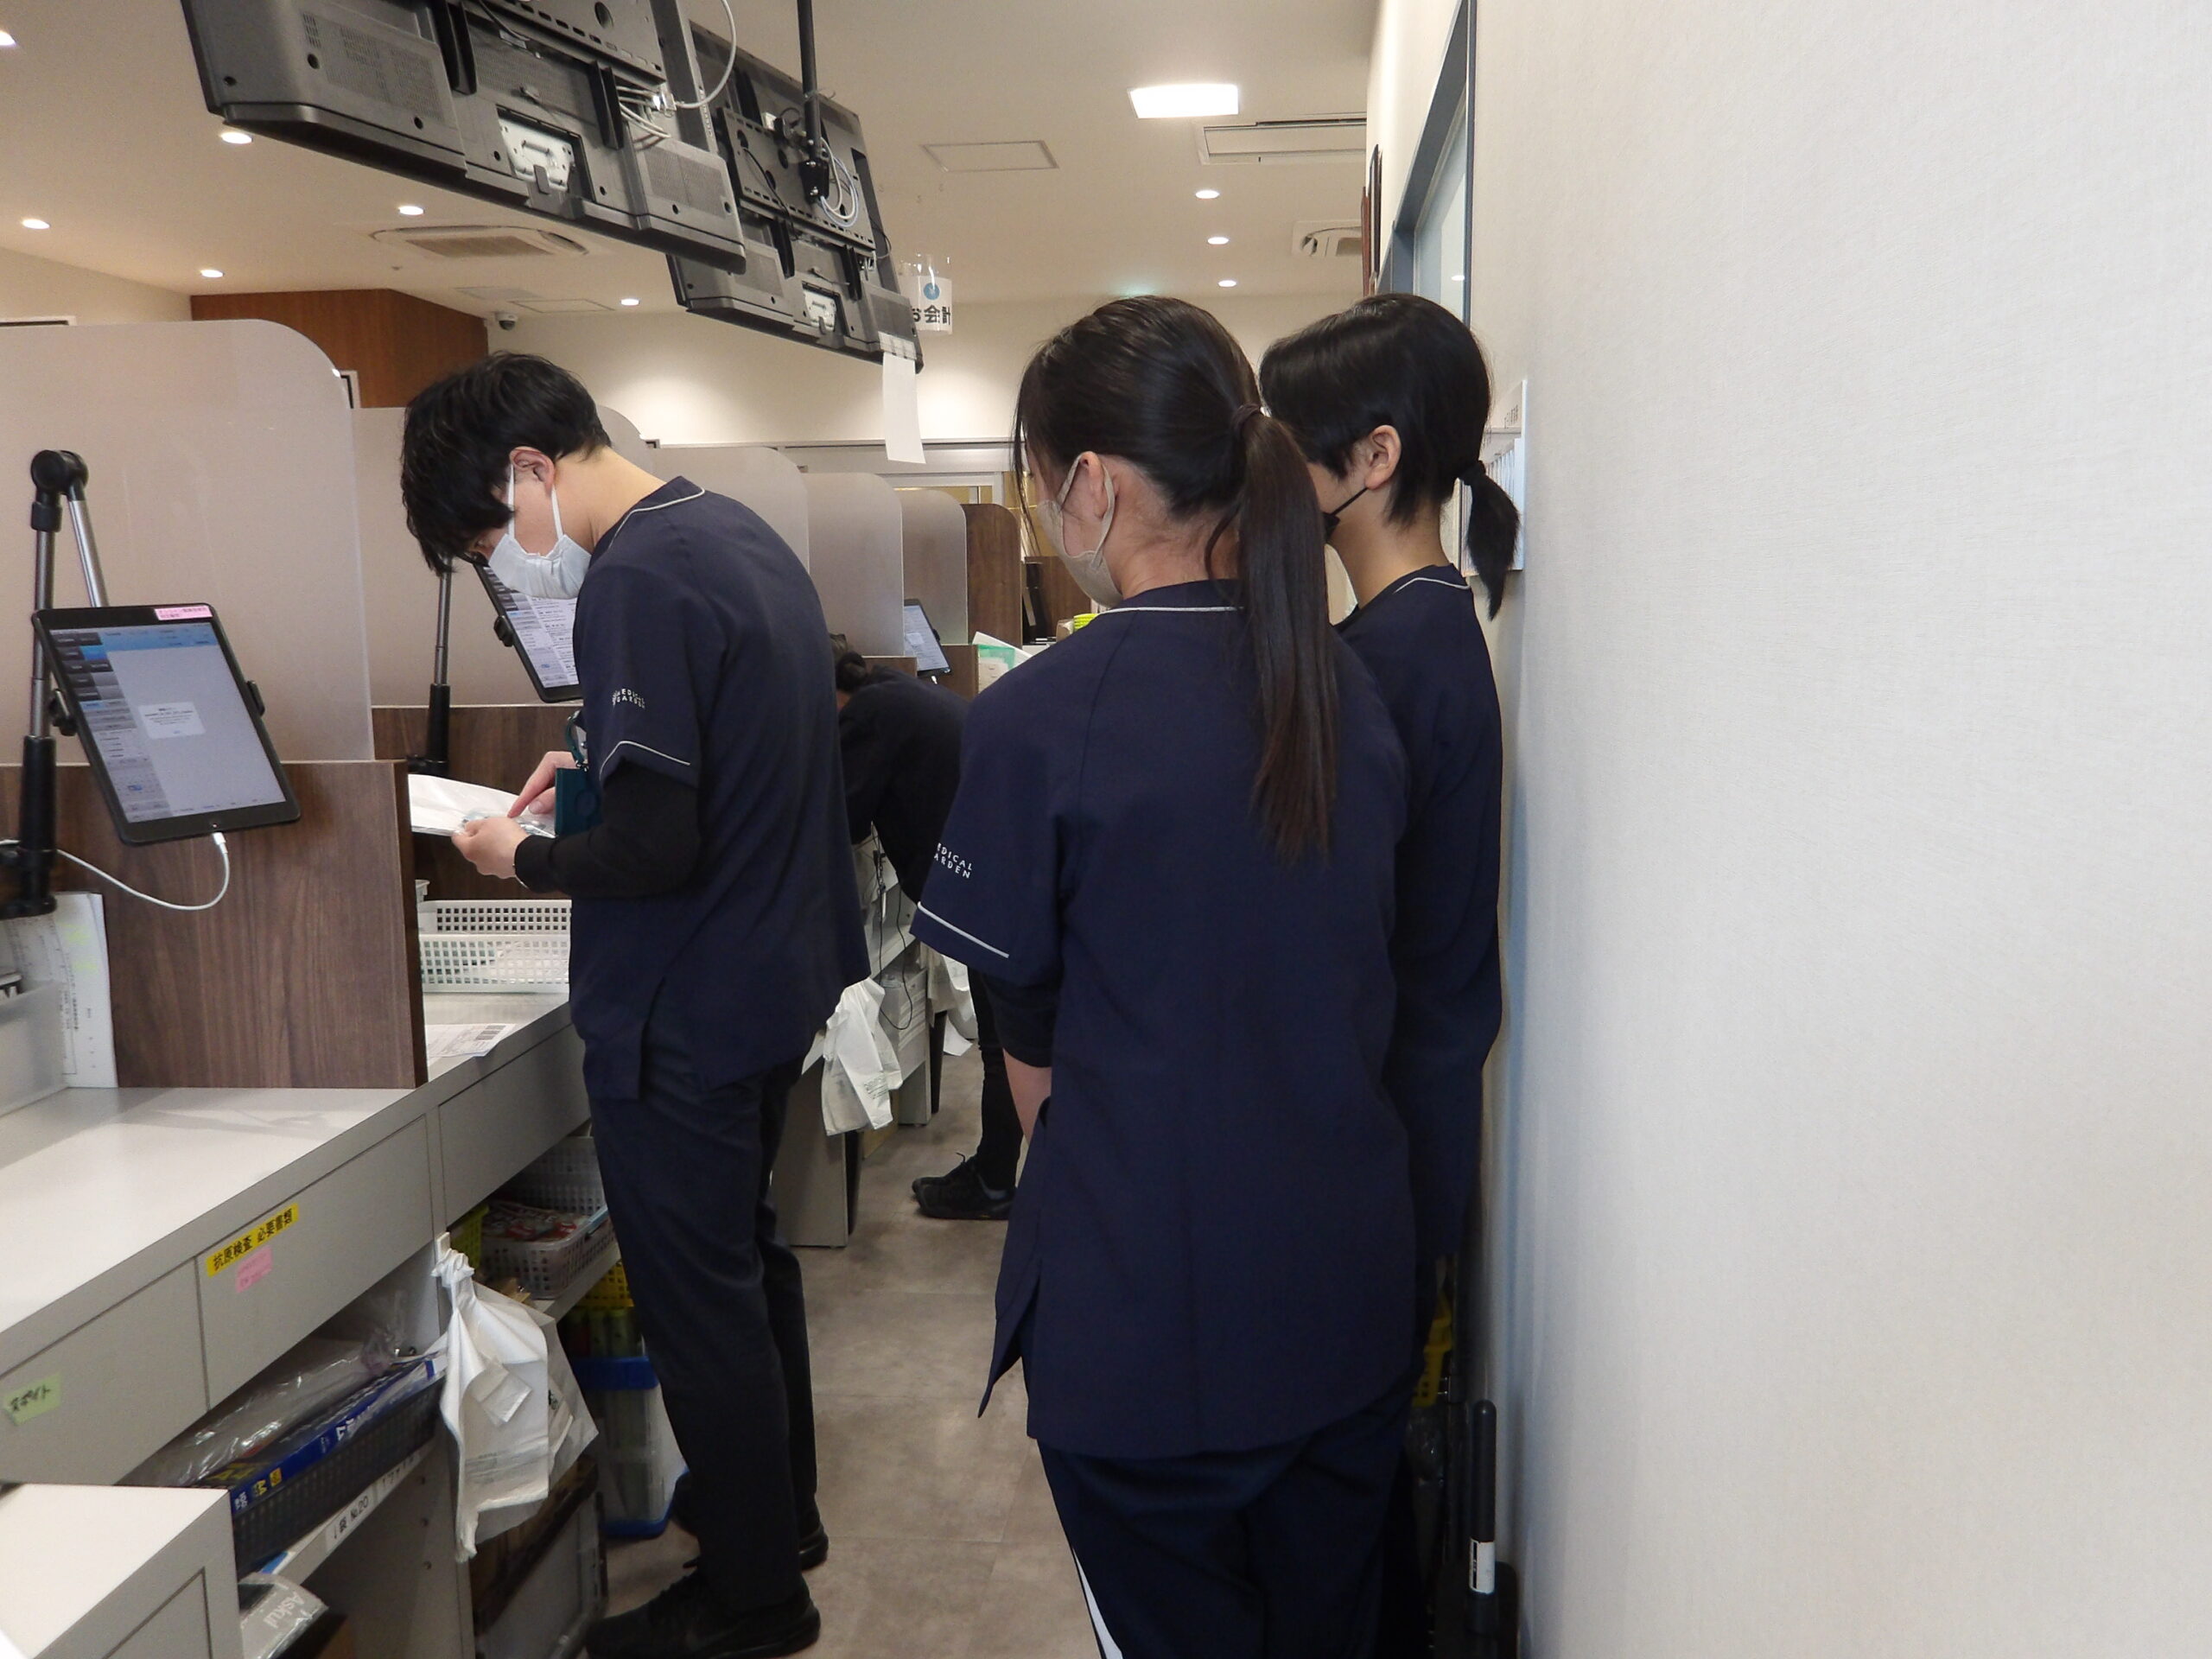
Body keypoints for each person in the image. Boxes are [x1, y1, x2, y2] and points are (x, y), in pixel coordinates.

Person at [911, 296, 1415, 1656]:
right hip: (1345, 1307)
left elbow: (1031, 1061)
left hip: (1149, 1332)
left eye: (1035, 484)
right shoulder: (1347, 695)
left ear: (1092, 485)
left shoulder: (1038, 719)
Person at [408, 353, 863, 1659]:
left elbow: (659, 850)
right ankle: (777, 1518)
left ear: (530, 472)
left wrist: (518, 855)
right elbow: (722, 760)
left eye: (490, 540)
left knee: (696, 1303)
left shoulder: (637, 578)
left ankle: (755, 1602)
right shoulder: (730, 533)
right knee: (745, 1267)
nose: (508, 566)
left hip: (686, 999)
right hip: (770, 971)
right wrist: (591, 764)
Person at [1261, 292, 1517, 1651]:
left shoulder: (1392, 664)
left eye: (1282, 444)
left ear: (1371, 458)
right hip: (1410, 1125)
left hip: (1384, 1146)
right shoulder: (1417, 635)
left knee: (1338, 1548)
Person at [825, 642, 1021, 1221]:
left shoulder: (866, 716)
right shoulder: (893, 690)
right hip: (1004, 868)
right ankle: (993, 1171)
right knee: (1009, 1041)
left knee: (1004, 1046)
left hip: (988, 888)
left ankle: (994, 1184)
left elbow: (840, 818)